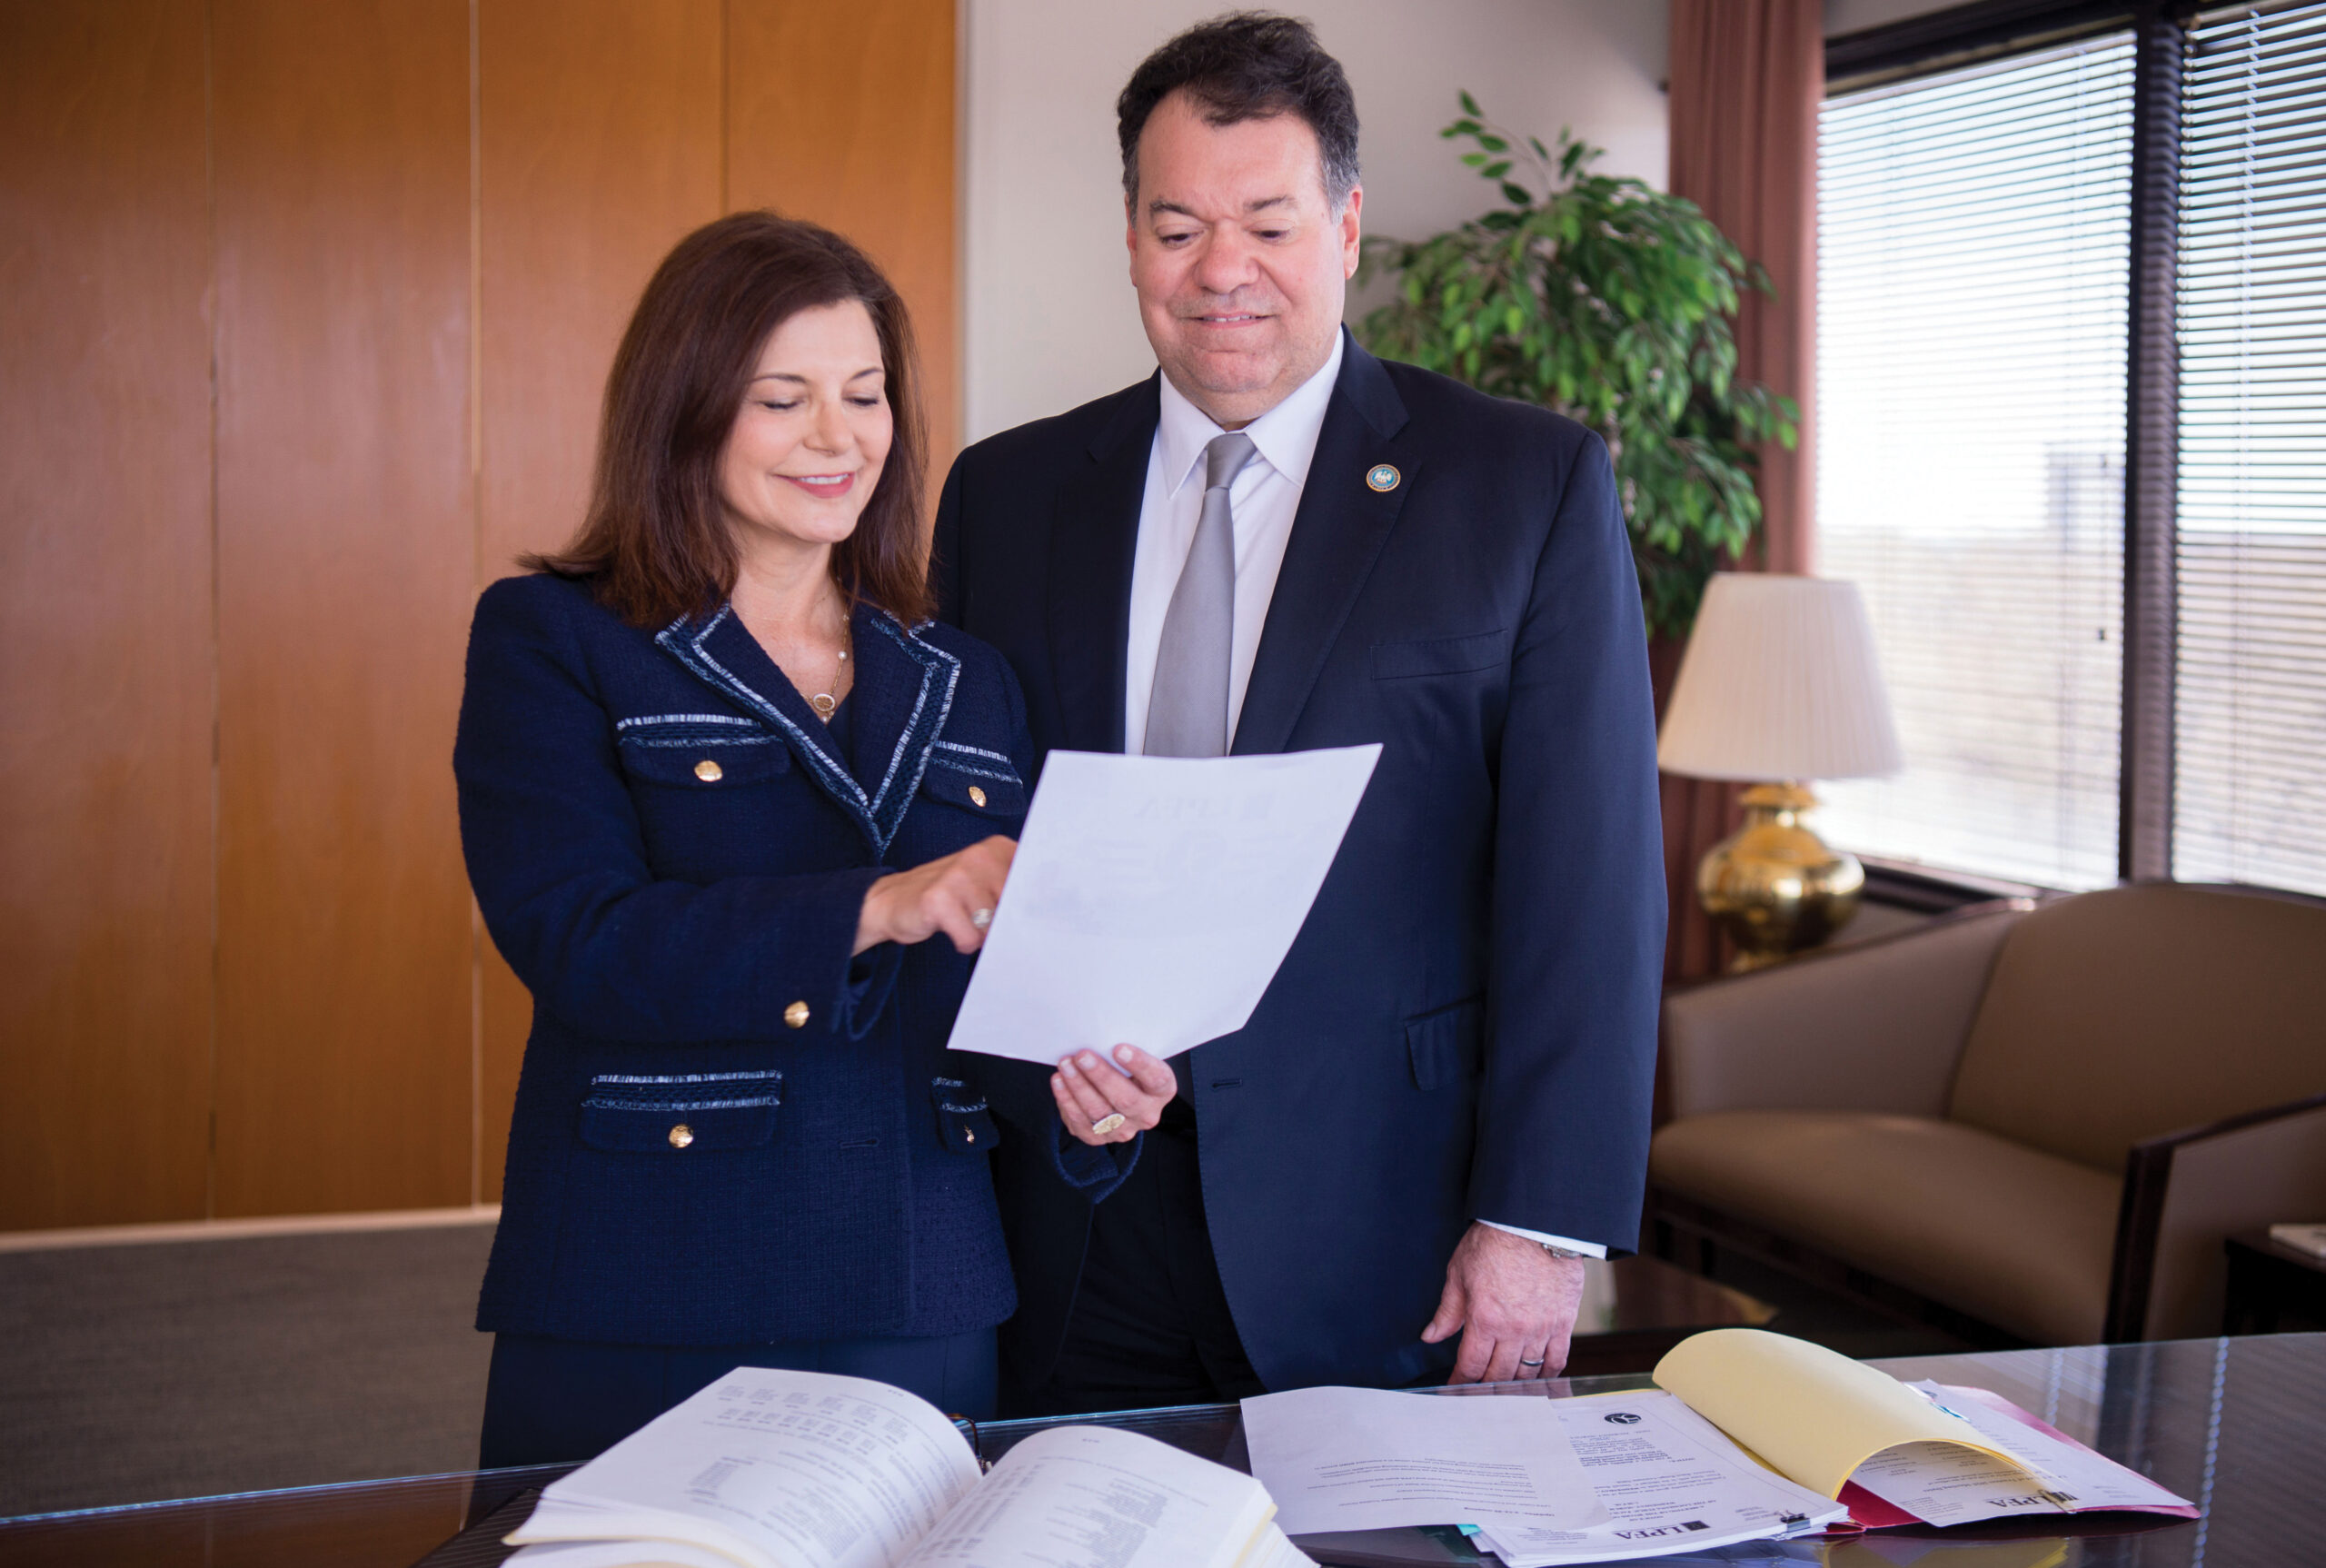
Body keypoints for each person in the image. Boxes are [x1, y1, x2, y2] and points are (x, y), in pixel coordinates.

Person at [934, 15, 1665, 1414]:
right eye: (1178, 228)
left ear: (1346, 225)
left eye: (1269, 224)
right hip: (1074, 1218)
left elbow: (1590, 886)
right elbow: (970, 835)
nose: (1223, 271)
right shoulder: (1007, 497)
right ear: (1131, 239)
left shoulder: (1522, 485)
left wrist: (1539, 1223)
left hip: (1386, 1222)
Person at [453, 212, 1162, 1466]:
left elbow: (994, 984)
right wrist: (876, 903)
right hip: (654, 1271)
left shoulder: (967, 675)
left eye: (865, 395)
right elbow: (579, 942)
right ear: (685, 410)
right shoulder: (555, 638)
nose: (840, 439)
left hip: (921, 1279)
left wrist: (1084, 1096)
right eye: (784, 400)